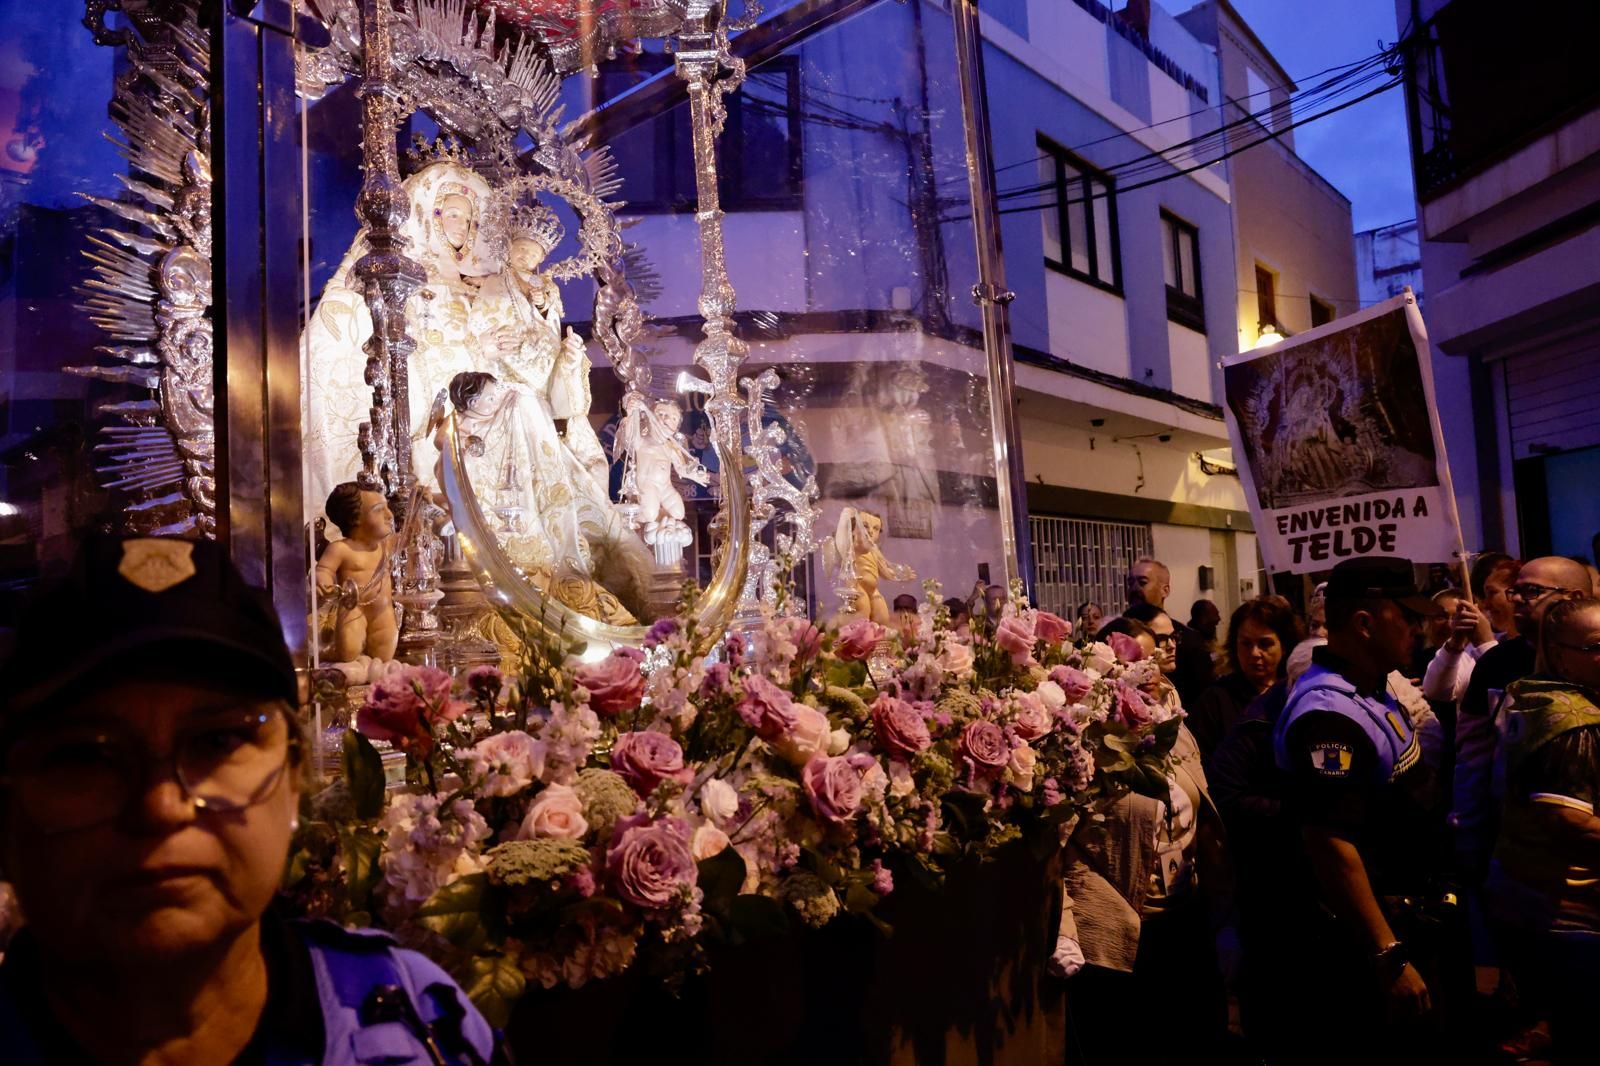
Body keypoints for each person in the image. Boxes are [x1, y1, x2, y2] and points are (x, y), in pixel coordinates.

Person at [0, 535, 499, 1064]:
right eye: (84, 757)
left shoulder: (415, 1018)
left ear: (293, 779)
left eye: (217, 742)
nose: (162, 807)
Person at [1272, 556, 1464, 1065]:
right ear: (1363, 623)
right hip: (1377, 934)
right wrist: (1389, 955)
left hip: (1414, 915)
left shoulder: (1372, 685)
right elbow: (1331, 843)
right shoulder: (1327, 715)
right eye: (1408, 617)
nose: (1420, 630)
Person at [1053, 708, 1229, 1066]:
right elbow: (1056, 845)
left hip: (1183, 917)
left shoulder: (1174, 729)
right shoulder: (1083, 738)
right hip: (1115, 931)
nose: (1152, 670)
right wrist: (1065, 924)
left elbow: (1204, 817)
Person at [1491, 593, 1600, 1062]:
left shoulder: (1539, 695)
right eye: (1596, 645)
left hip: (1533, 898)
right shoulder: (1571, 719)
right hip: (1570, 915)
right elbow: (1568, 819)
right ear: (1559, 653)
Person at [1455, 556, 1594, 879]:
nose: (1514, 598)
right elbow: (1472, 759)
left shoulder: (1593, 662)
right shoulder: (1496, 664)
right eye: (1514, 590)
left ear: (1573, 598)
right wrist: (1467, 833)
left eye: (1530, 591)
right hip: (1513, 851)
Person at [1188, 597, 1302, 762]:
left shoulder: (1298, 692)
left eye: (1265, 644)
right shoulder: (1215, 700)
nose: (1255, 653)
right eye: (1246, 644)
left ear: (1283, 646)